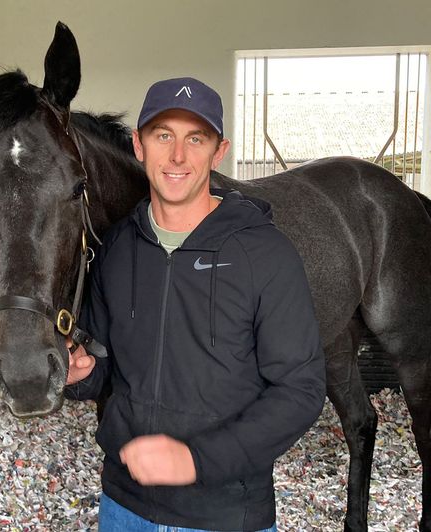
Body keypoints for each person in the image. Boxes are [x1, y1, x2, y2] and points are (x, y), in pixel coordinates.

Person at [65, 77, 326, 532]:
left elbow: (300, 391)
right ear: (139, 145)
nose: (178, 156)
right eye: (163, 135)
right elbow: (104, 367)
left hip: (224, 514)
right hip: (123, 506)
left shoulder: (266, 255)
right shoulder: (116, 250)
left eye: (195, 138)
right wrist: (80, 374)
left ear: (218, 151)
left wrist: (195, 460)